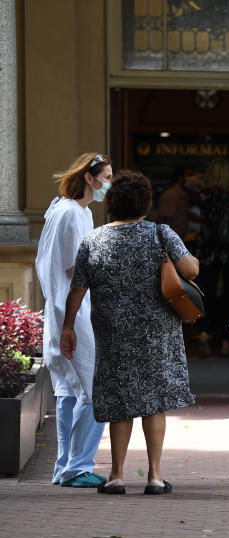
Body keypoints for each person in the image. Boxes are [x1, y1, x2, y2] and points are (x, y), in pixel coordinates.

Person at [60, 170, 199, 495]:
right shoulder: (160, 233)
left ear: (111, 204)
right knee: (154, 402)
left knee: (120, 401)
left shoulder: (93, 239)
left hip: (113, 332)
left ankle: (117, 476)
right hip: (157, 332)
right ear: (146, 203)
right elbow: (190, 270)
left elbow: (77, 290)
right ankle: (153, 476)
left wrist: (68, 326)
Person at [34, 153, 111, 488]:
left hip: (60, 307)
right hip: (75, 310)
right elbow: (75, 267)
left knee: (67, 389)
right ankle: (78, 466)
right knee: (96, 388)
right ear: (89, 178)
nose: (109, 182)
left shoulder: (64, 209)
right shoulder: (73, 214)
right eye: (106, 176)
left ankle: (65, 465)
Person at [195, 158, 229, 357]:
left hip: (207, 250)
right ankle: (226, 341)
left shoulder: (203, 196)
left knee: (206, 293)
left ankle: (202, 333)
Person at [154, 166, 192, 239]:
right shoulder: (172, 195)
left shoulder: (182, 195)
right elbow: (161, 219)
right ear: (180, 178)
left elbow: (185, 214)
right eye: (189, 176)